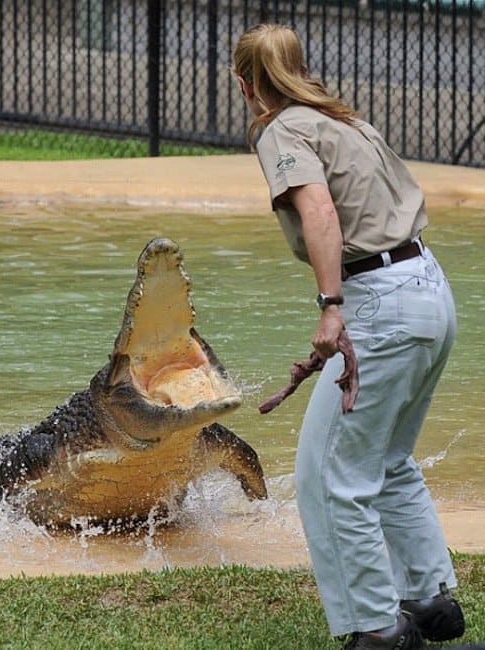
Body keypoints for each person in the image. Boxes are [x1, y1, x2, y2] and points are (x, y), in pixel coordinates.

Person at [232, 23, 465, 650]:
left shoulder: (283, 128)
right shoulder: (345, 120)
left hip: (379, 303)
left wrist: (332, 307)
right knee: (387, 461)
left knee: (331, 477)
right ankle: (430, 601)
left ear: (245, 83)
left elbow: (320, 212)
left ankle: (379, 630)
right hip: (429, 290)